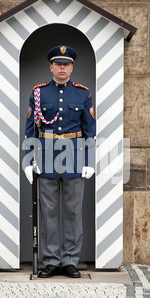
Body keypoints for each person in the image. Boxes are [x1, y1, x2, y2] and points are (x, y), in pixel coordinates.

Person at [24, 45, 96, 278]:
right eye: (58, 64)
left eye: (66, 64)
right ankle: (52, 261)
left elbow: (90, 132)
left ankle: (70, 261)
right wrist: (28, 161)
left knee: (73, 213)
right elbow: (30, 131)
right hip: (46, 157)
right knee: (49, 213)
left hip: (75, 156)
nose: (62, 67)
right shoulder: (39, 93)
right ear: (51, 66)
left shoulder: (83, 93)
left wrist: (90, 161)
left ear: (72, 67)